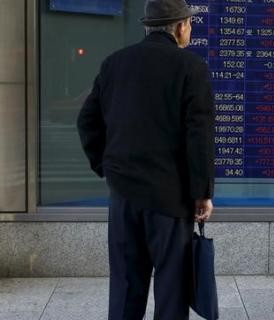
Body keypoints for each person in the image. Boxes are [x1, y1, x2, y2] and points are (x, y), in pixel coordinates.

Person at [76, 0, 214, 319]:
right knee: (172, 291)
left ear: (147, 27)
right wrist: (202, 193)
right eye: (189, 24)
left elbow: (87, 121)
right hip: (171, 199)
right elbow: (199, 136)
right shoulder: (191, 68)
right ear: (180, 27)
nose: (190, 29)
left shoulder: (115, 64)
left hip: (124, 196)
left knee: (125, 287)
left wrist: (107, 167)